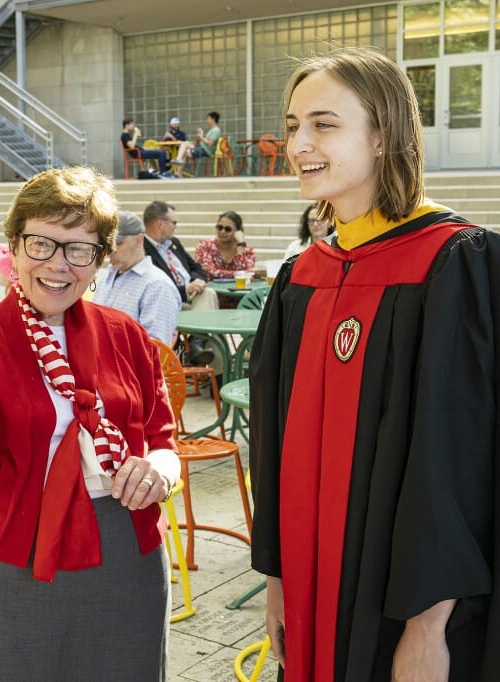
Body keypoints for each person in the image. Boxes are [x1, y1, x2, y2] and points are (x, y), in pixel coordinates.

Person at [250, 47, 500, 682]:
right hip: (307, 590)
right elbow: (272, 447)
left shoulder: (454, 264)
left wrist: (428, 626)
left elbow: (460, 464)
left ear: (384, 133)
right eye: (292, 125)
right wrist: (277, 580)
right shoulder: (300, 279)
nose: (298, 142)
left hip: (403, 602)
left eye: (325, 124)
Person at [0, 166, 181, 682]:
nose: (57, 265)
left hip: (124, 547)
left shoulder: (127, 336)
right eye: (41, 244)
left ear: (100, 260)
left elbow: (163, 439)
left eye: (78, 250)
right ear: (15, 247)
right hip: (13, 550)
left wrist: (159, 470)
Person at [141, 201, 216, 365]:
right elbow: (152, 286)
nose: (176, 226)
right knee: (214, 323)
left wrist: (198, 280)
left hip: (193, 299)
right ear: (160, 223)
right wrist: (186, 289)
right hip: (169, 304)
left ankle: (198, 347)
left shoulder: (173, 243)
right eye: (173, 222)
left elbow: (196, 267)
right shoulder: (142, 249)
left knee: (209, 302)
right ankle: (199, 347)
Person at [94, 211, 181, 345]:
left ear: (139, 239)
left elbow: (154, 350)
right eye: (106, 244)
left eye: (118, 243)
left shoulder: (158, 285)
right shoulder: (106, 276)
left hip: (126, 364)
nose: (109, 250)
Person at [194, 210, 257, 280]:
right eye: (219, 227)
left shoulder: (248, 250)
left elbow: (246, 277)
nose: (222, 232)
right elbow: (208, 273)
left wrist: (240, 245)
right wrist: (238, 274)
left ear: (238, 231)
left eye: (228, 229)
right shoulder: (205, 245)